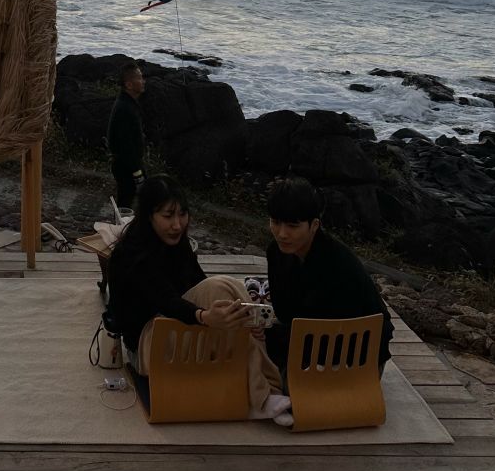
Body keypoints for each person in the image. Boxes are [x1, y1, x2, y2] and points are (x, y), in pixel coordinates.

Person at [107, 175, 291, 423]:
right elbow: (166, 299)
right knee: (220, 288)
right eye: (168, 216)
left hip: (177, 330)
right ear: (148, 216)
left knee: (228, 289)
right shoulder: (131, 255)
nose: (177, 224)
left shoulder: (177, 244)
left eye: (182, 214)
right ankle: (263, 395)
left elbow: (199, 285)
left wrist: (243, 318)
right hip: (147, 346)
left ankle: (264, 393)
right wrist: (204, 316)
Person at [264, 176, 394, 381]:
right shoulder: (277, 252)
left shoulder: (336, 263)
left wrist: (270, 336)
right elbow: (285, 313)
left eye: (292, 225)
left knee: (277, 381)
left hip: (357, 353)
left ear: (314, 225)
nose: (282, 234)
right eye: (275, 222)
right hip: (312, 340)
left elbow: (327, 331)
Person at [107, 62, 146, 209]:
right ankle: (122, 229)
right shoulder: (125, 108)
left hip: (129, 163)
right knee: (126, 202)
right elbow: (125, 145)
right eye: (140, 78)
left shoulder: (128, 104)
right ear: (129, 85)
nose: (143, 81)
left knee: (129, 200)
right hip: (126, 165)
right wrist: (137, 172)